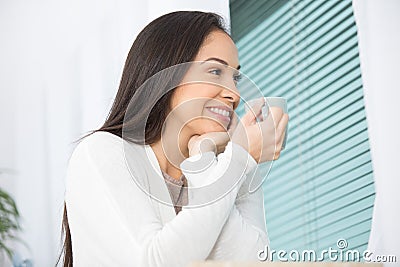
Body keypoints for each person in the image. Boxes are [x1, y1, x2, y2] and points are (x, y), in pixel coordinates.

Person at [59, 11, 289, 267]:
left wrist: (206, 161)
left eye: (234, 78)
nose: (234, 94)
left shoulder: (227, 165)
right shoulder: (101, 152)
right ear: (166, 74)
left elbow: (253, 262)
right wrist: (239, 158)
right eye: (215, 71)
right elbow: (153, 261)